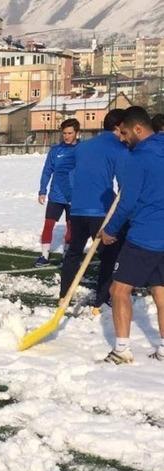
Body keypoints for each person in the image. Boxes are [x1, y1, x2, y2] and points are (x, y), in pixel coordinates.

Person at [100, 106, 164, 364]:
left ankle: (122, 349)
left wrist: (110, 231)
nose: (123, 138)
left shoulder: (139, 158)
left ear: (138, 129)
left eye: (125, 133)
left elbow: (126, 202)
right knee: (160, 291)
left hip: (145, 236)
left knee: (119, 290)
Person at [59, 109, 129, 316]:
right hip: (101, 211)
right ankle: (101, 299)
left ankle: (64, 294)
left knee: (73, 252)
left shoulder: (84, 147)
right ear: (118, 127)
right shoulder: (119, 149)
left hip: (78, 208)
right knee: (109, 254)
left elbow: (73, 172)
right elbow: (125, 183)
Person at [35, 118, 79, 267]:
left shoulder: (83, 150)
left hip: (75, 197)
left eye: (70, 133)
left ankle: (66, 255)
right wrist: (42, 190)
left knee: (71, 226)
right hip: (56, 196)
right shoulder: (56, 151)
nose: (66, 136)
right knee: (48, 224)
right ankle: (44, 256)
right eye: (64, 133)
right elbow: (47, 171)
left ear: (77, 133)